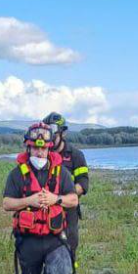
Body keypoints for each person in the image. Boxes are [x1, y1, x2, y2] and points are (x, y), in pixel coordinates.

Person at [3, 122, 80, 274]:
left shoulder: (61, 173)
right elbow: (7, 203)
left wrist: (55, 199)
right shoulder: (17, 175)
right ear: (28, 148)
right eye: (36, 148)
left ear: (49, 148)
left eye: (44, 148)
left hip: (55, 238)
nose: (40, 152)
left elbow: (73, 199)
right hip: (28, 240)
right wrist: (29, 200)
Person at [42, 112, 89, 263]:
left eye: (53, 136)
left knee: (70, 244)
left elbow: (83, 183)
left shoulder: (75, 155)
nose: (49, 140)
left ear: (63, 133)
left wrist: (62, 197)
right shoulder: (42, 154)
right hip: (45, 208)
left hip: (68, 209)